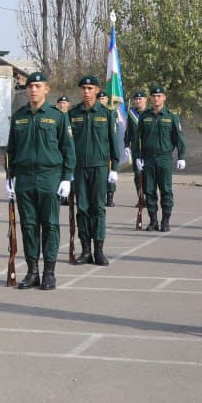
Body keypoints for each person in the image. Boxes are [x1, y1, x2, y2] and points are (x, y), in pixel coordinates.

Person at [6, 71, 75, 290]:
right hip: (25, 178)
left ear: (47, 89)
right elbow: (12, 149)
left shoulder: (58, 116)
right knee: (28, 226)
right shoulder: (19, 117)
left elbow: (68, 148)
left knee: (50, 225)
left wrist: (67, 177)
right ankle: (32, 271)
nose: (33, 89)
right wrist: (11, 175)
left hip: (49, 177)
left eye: (38, 86)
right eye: (30, 86)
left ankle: (49, 272)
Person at [68, 76, 121, 265]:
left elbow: (114, 142)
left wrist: (114, 167)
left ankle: (99, 250)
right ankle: (85, 250)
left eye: (90, 88)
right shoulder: (73, 113)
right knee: (82, 209)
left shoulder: (107, 113)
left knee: (98, 209)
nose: (86, 91)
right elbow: (67, 144)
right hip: (79, 168)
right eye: (83, 88)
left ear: (97, 90)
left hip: (99, 167)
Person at [134, 86, 187, 232]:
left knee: (166, 190)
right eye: (154, 96)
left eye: (159, 95)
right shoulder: (145, 116)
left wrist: (181, 156)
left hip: (164, 159)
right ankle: (153, 221)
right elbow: (137, 138)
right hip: (148, 159)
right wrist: (138, 157)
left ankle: (165, 221)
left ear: (164, 97)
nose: (156, 98)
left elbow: (179, 138)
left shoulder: (171, 116)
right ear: (150, 98)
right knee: (149, 190)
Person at [125, 90, 147, 204]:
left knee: (148, 175)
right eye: (136, 99)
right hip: (136, 149)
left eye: (140, 99)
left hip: (148, 149)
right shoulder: (131, 113)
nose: (138, 101)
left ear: (145, 100)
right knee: (138, 175)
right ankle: (141, 197)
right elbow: (128, 130)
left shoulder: (150, 112)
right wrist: (126, 145)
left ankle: (149, 198)